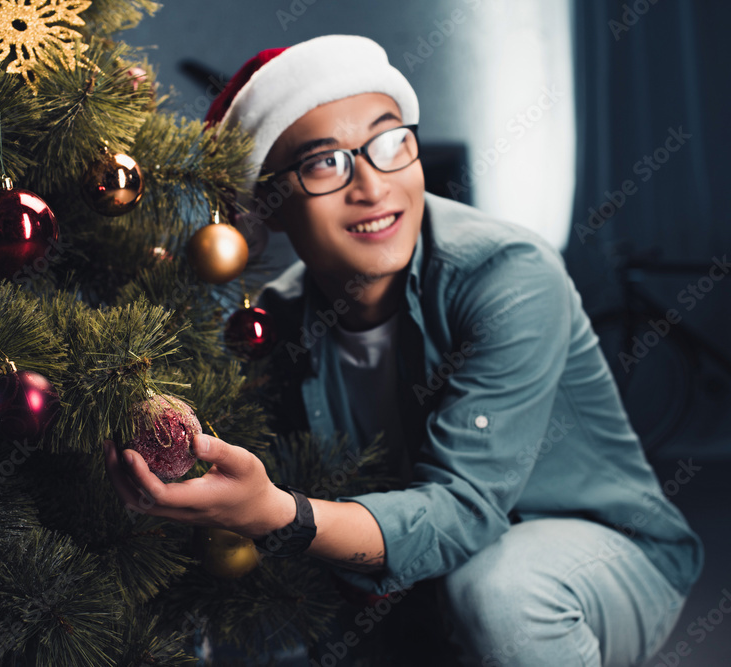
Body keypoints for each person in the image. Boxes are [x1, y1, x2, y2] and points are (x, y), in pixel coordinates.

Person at [103, 34, 703, 666]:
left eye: (391, 142)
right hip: (422, 581)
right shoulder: (276, 321)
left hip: (596, 560)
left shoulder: (509, 273)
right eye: (325, 162)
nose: (371, 187)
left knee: (502, 591)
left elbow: (465, 510)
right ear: (270, 204)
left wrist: (278, 515)